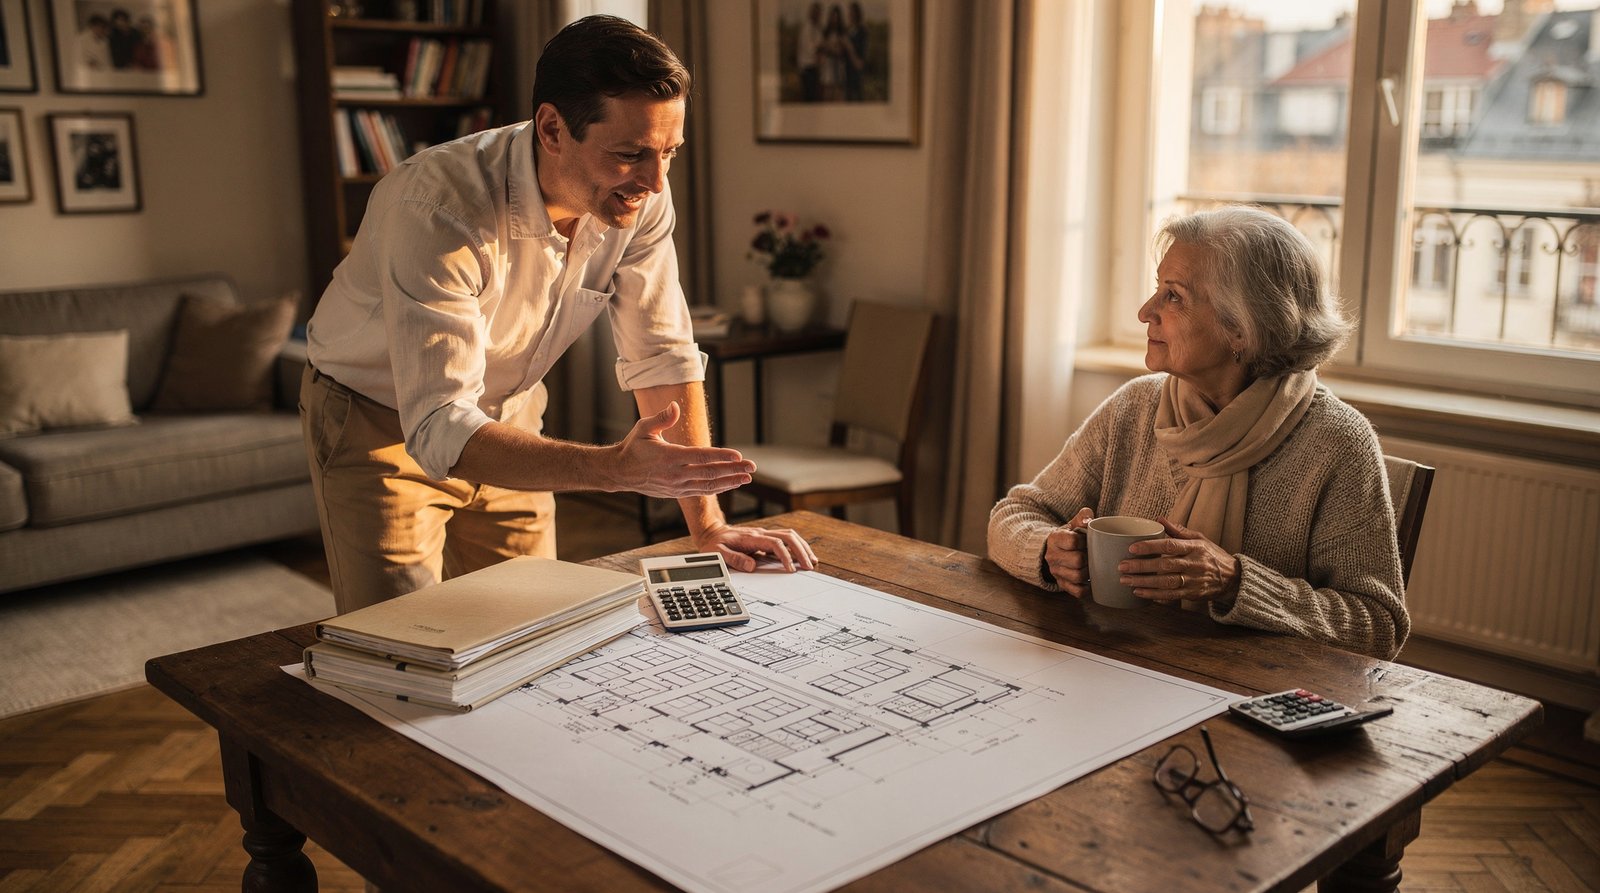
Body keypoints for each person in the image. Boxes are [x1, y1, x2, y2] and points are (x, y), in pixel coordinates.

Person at [302, 15, 815, 613]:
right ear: (551, 129)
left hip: (512, 415)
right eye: (629, 154)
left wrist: (707, 526)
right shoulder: (436, 206)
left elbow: (661, 353)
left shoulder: (640, 189)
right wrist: (616, 470)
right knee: (402, 642)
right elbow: (439, 422)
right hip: (377, 420)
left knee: (530, 622)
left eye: (668, 152)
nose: (654, 180)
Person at [986, 206, 1409, 659]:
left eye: (1174, 296)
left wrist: (1233, 583)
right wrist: (1049, 550)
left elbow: (1376, 626)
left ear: (1242, 329)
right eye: (1157, 289)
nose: (1146, 311)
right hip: (1115, 665)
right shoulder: (1134, 407)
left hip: (1248, 694)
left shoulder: (1337, 442)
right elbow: (1014, 513)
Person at [795, 3, 824, 102]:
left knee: (815, 97)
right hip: (807, 68)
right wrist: (821, 46)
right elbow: (810, 49)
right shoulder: (807, 29)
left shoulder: (817, 29)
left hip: (814, 68)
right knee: (809, 97)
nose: (819, 15)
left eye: (819, 13)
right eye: (816, 13)